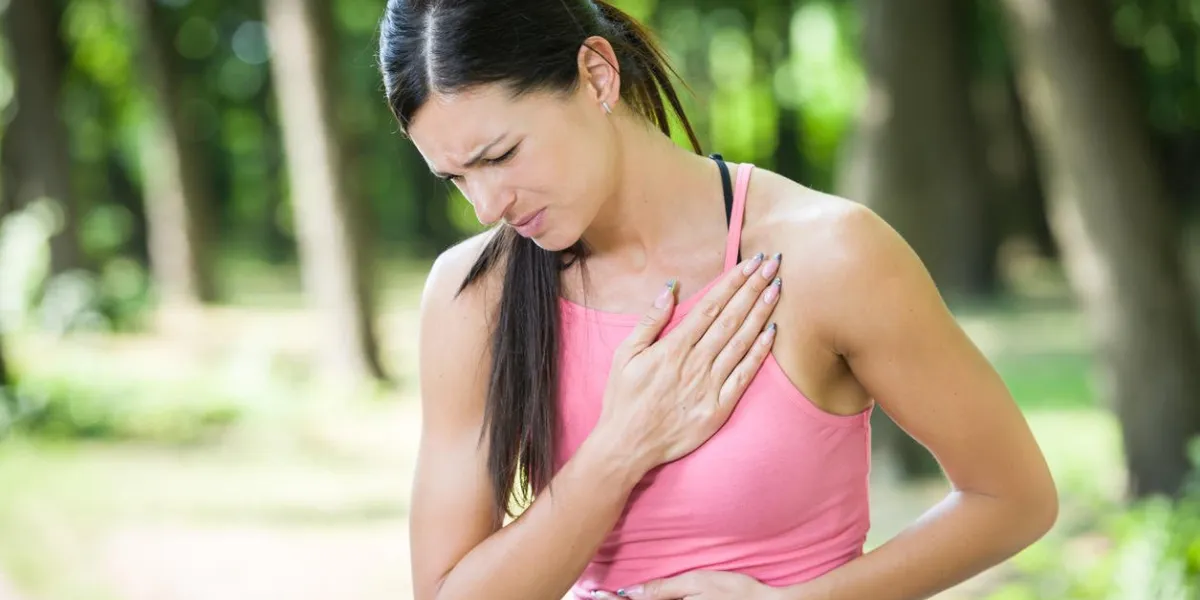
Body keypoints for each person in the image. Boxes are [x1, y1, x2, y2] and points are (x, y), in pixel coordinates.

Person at [377, 1, 1059, 599]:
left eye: (500, 155)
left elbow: (1013, 498)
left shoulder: (829, 256)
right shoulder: (475, 296)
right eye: (454, 177)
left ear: (597, 75)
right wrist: (620, 448)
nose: (486, 206)